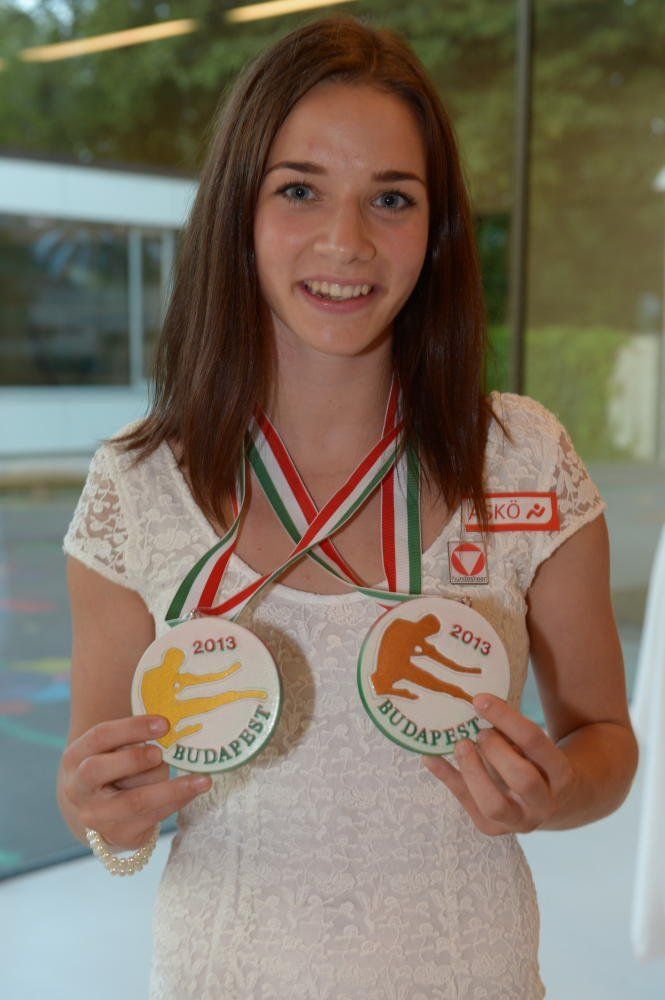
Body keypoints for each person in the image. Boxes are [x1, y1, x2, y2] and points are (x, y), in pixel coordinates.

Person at [57, 14, 638, 999]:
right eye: (298, 190)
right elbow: (104, 792)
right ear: (237, 211)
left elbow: (605, 744)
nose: (346, 241)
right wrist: (103, 815)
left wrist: (554, 791)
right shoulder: (136, 485)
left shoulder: (522, 459)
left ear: (436, 229)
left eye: (390, 198)